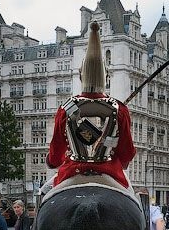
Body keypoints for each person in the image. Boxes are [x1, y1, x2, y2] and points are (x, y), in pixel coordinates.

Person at [46, 21, 136, 189]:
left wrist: (52, 161)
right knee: (135, 203)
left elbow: (56, 150)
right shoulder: (119, 109)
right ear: (106, 76)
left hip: (73, 171)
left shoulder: (66, 108)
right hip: (110, 172)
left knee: (44, 195)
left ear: (81, 76)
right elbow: (127, 151)